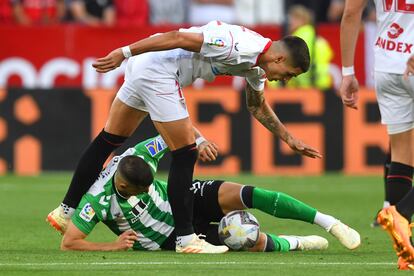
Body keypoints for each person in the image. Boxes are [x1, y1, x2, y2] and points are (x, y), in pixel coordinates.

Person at [47, 20, 322, 254]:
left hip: (145, 68)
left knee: (109, 139)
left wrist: (288, 138)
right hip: (158, 70)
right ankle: (186, 238)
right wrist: (124, 52)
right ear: (279, 58)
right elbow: (177, 37)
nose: (284, 80)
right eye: (288, 74)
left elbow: (256, 106)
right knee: (186, 152)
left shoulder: (255, 66)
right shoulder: (237, 44)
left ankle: (65, 210)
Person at [60, 135, 360, 252]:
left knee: (244, 192)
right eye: (142, 190)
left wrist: (199, 140)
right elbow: (69, 242)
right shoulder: (97, 200)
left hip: (183, 198)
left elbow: (176, 128)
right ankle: (296, 243)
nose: (147, 191)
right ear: (123, 187)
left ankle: (329, 222)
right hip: (165, 236)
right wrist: (111, 246)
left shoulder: (141, 154)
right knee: (247, 239)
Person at [339, 0, 414, 270]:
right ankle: (401, 213)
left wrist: (348, 72)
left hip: (385, 64)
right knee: (403, 153)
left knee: (402, 154)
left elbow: (350, 12)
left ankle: (405, 249)